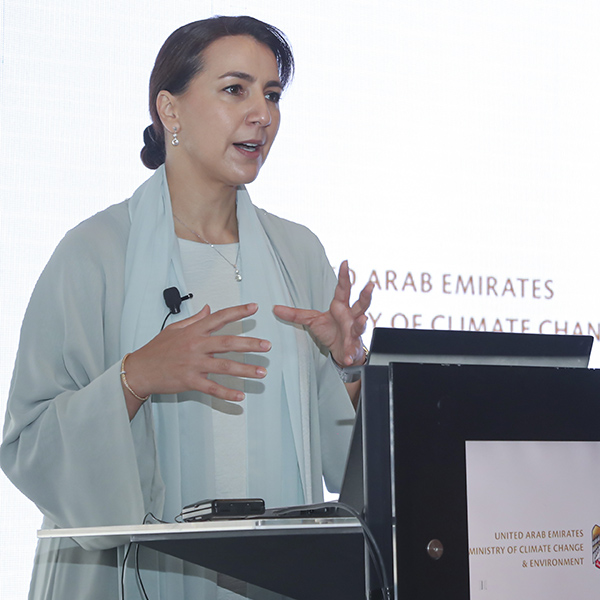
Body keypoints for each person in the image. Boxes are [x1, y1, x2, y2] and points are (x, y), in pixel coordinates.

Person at [0, 15, 374, 599]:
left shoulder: (298, 254)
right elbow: (29, 445)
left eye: (272, 95)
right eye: (235, 89)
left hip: (275, 576)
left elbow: (342, 462)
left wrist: (349, 370)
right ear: (169, 110)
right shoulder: (95, 253)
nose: (262, 114)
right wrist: (136, 377)